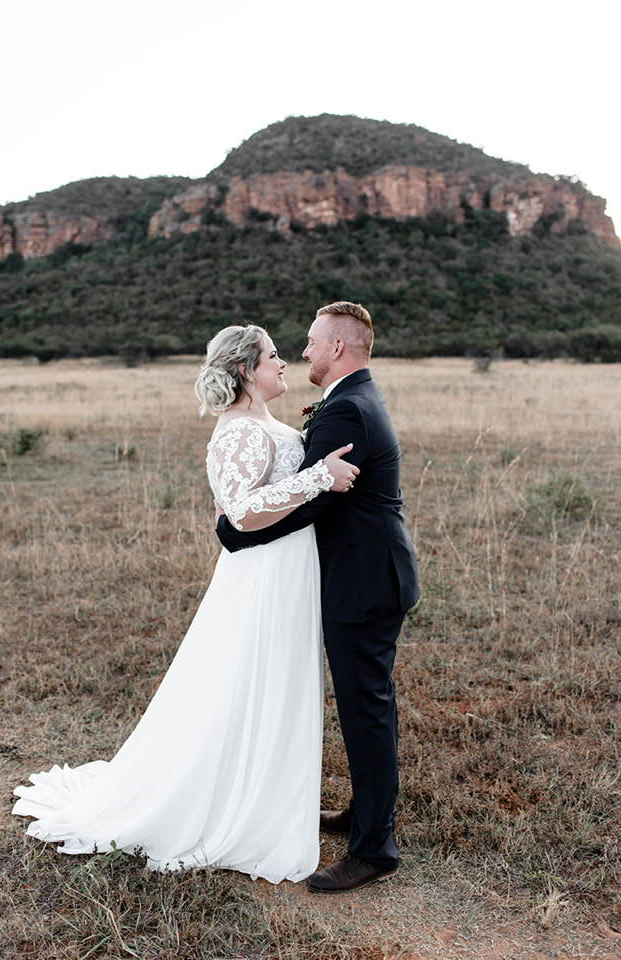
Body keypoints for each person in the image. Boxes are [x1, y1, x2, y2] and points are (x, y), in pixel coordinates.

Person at [12, 324, 359, 884]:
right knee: (246, 679)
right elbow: (241, 513)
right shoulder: (238, 432)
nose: (283, 363)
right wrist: (319, 476)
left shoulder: (267, 424)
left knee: (277, 680)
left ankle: (266, 797)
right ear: (246, 369)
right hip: (262, 574)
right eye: (273, 356)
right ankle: (227, 805)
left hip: (291, 567)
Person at [216, 301, 419, 894]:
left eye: (310, 342)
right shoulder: (354, 398)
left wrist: (234, 531)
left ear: (337, 347)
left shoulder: (347, 409)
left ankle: (374, 850)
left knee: (366, 709)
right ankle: (363, 814)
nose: (303, 351)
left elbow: (317, 500)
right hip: (370, 574)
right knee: (368, 705)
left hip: (364, 582)